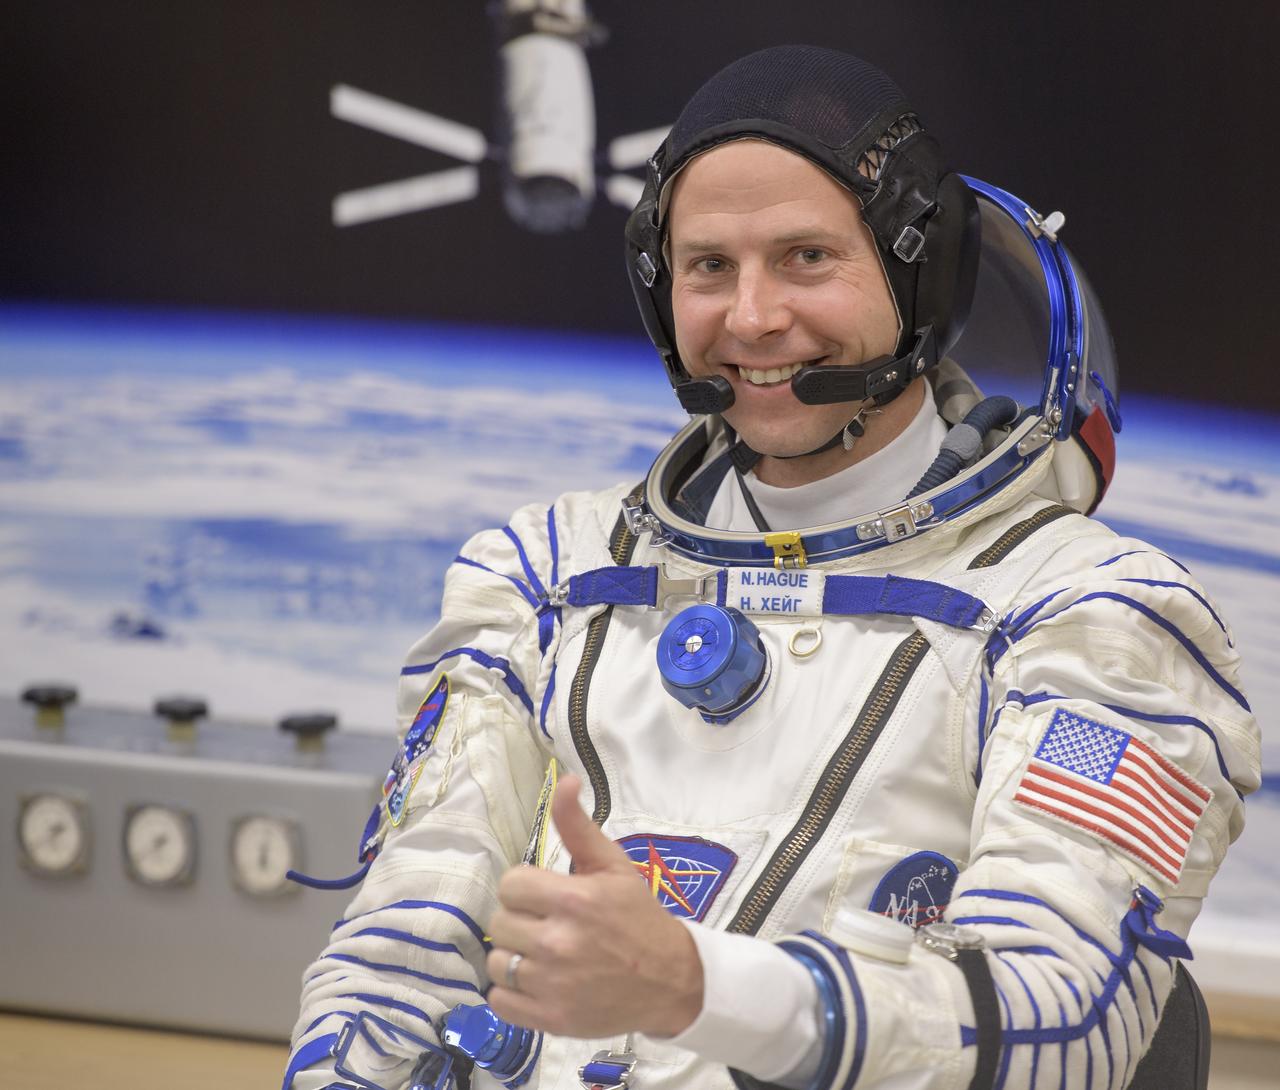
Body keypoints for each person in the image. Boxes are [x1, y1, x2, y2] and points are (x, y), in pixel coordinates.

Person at [284, 45, 1259, 1090]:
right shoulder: (543, 580)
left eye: (805, 257)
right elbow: (396, 956)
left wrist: (692, 986)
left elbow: (1059, 1026)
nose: (750, 319)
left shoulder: (1091, 617)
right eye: (709, 267)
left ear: (919, 274)